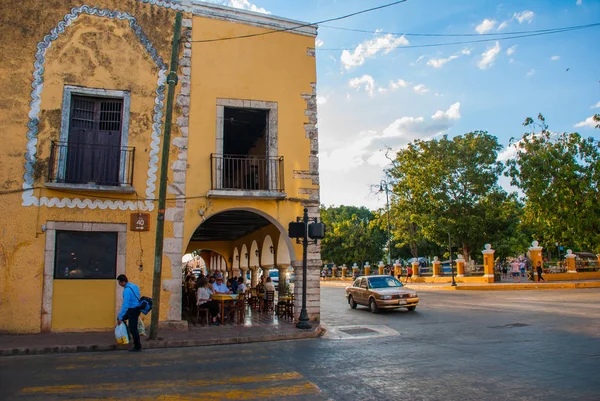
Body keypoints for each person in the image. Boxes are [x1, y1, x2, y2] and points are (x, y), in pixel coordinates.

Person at [116, 274, 142, 352]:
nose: (119, 284)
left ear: (123, 282)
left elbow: (125, 305)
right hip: (137, 308)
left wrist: (120, 316)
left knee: (133, 328)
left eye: (119, 282)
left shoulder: (126, 290)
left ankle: (137, 346)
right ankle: (127, 336)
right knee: (124, 320)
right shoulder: (134, 286)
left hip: (132, 310)